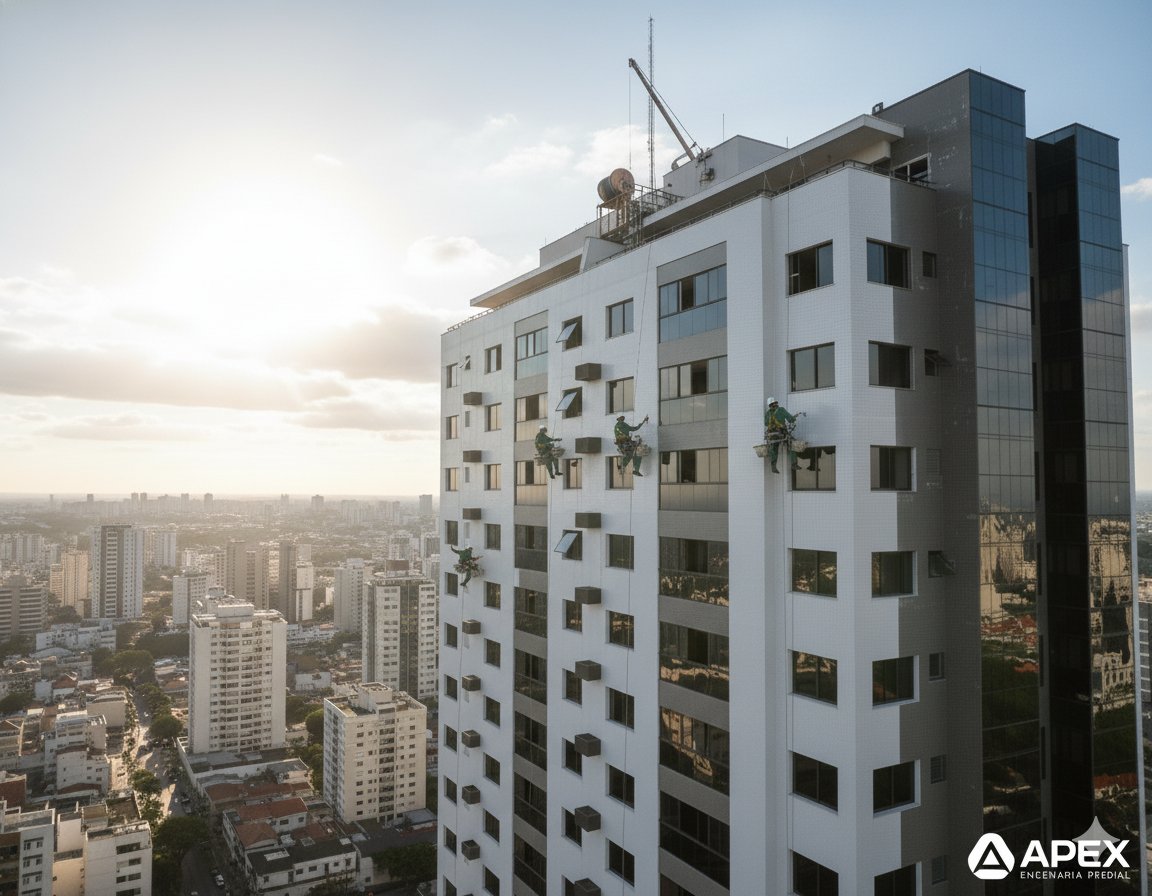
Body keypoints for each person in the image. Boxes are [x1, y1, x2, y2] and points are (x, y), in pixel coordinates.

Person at [764, 397, 797, 473]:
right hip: (781, 433)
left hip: (771, 435)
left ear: (769, 405)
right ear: (775, 403)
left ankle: (773, 467)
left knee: (774, 449)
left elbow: (766, 423)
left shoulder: (767, 413)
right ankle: (794, 464)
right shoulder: (781, 410)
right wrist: (793, 418)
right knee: (791, 444)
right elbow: (790, 419)